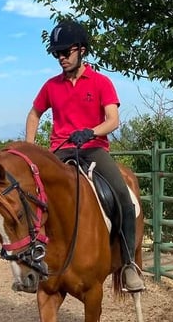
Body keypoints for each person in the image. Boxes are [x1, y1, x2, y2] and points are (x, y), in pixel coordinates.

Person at [25, 19, 145, 292]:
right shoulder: (51, 86)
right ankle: (34, 260)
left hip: (93, 149)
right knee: (31, 199)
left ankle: (127, 265)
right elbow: (34, 114)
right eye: (57, 53)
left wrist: (91, 132)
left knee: (124, 198)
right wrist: (31, 148)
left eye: (66, 51)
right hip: (60, 151)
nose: (61, 58)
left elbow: (113, 120)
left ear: (81, 50)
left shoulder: (102, 82)